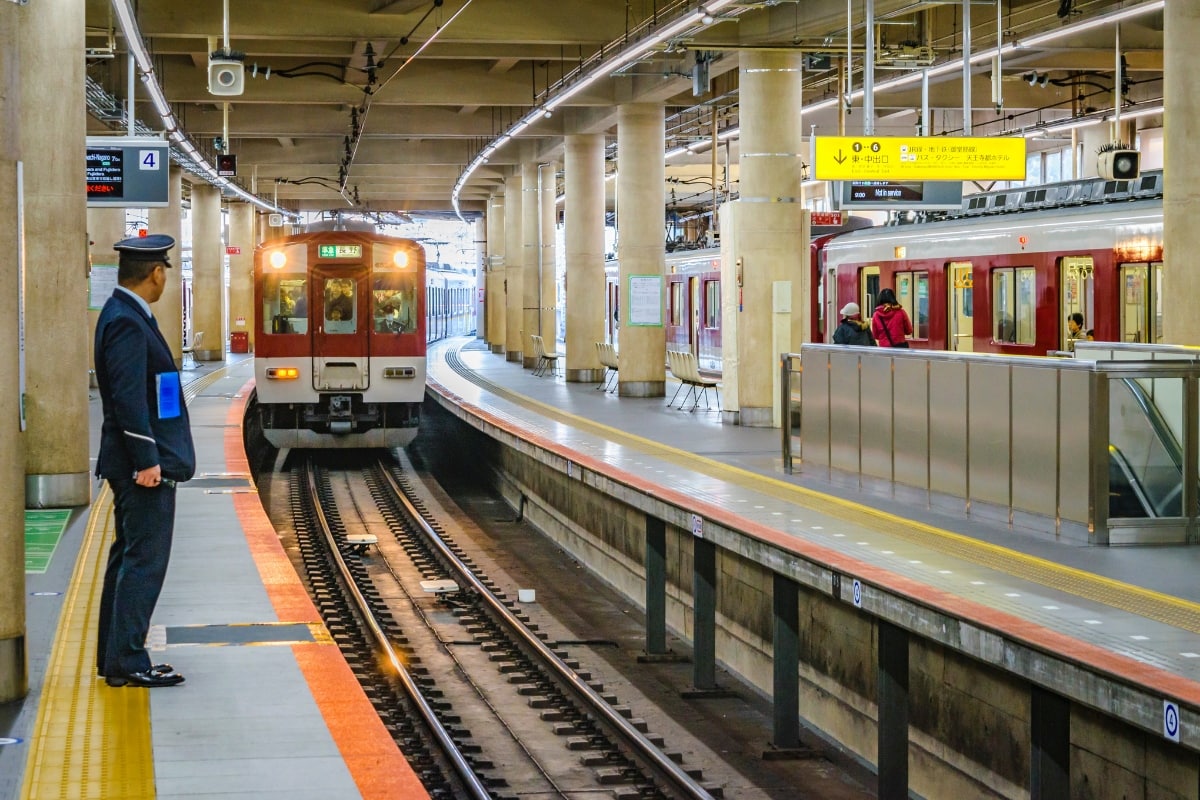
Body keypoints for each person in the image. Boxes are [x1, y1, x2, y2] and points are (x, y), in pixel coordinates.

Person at [94, 234, 195, 688]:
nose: (164, 279)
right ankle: (129, 660)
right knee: (143, 563)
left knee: (129, 558)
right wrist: (147, 459)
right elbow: (128, 398)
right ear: (156, 273)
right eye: (164, 271)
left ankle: (116, 658)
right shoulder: (127, 321)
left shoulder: (125, 314)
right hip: (141, 469)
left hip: (137, 463)